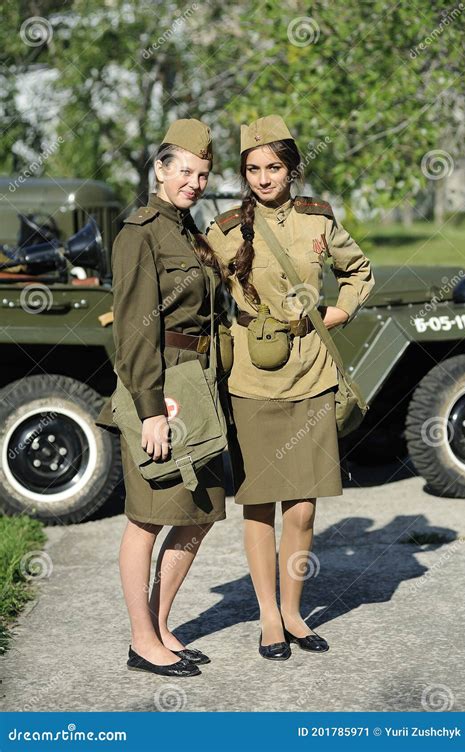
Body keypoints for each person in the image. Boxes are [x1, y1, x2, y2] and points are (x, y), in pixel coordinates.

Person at [207, 115, 375, 660]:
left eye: (273, 167)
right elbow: (192, 282)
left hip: (311, 370)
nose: (262, 178)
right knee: (259, 503)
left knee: (301, 507)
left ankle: (296, 610)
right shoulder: (227, 228)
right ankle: (268, 616)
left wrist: (342, 310)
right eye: (253, 169)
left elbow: (360, 270)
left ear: (291, 168)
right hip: (254, 378)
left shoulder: (318, 219)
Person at [96, 118, 226, 677]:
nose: (194, 182)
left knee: (200, 511)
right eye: (185, 172)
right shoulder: (140, 233)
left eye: (202, 174)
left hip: (199, 384)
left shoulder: (189, 231)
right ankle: (141, 641)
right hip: (163, 389)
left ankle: (160, 624)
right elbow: (132, 330)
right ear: (160, 170)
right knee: (149, 516)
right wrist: (150, 409)